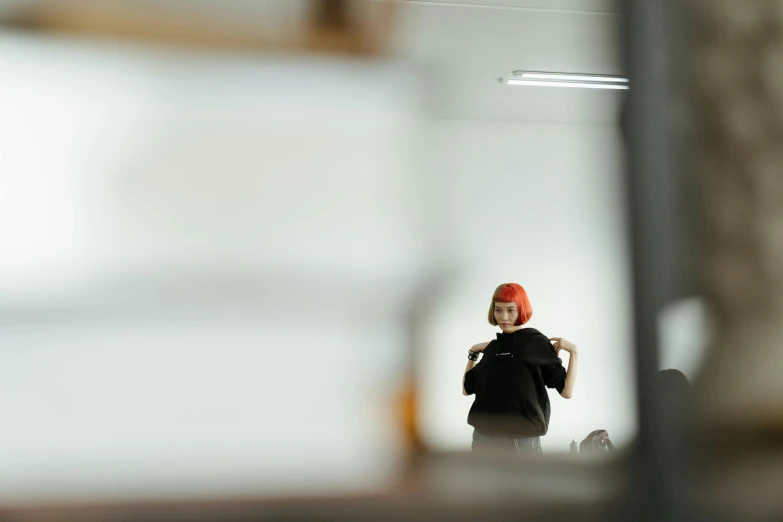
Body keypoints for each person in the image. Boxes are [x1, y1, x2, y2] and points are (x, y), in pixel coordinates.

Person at [462, 283, 578, 454]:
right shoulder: (493, 348)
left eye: (510, 310)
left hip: (520, 442)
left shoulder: (536, 342)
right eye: (498, 310)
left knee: (525, 482)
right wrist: (473, 353)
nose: (504, 317)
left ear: (521, 309)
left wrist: (574, 352)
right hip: (483, 440)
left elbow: (566, 392)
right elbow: (467, 388)